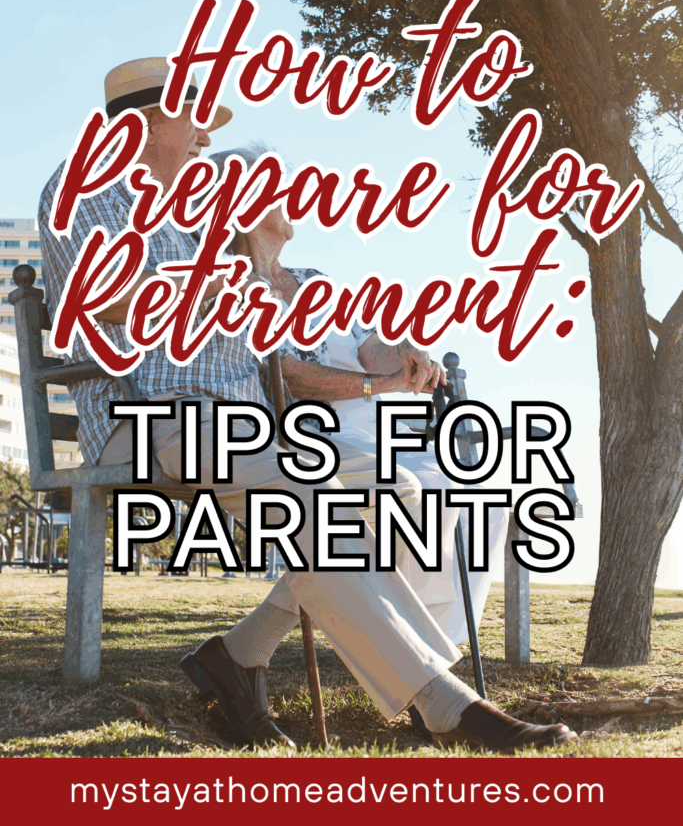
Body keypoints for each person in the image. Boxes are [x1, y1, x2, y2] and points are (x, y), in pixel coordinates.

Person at [38, 56, 575, 754]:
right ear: (145, 122)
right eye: (195, 122)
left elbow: (268, 353)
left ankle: (236, 656)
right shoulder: (85, 188)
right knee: (313, 493)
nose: (205, 139)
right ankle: (445, 704)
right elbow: (102, 301)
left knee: (400, 490)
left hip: (239, 426)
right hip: (150, 419)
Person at [214, 145, 509, 649]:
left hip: (369, 434)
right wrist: (378, 386)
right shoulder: (231, 285)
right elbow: (280, 375)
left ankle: (434, 644)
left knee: (483, 498)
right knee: (418, 504)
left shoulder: (311, 282)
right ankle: (406, 650)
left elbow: (369, 346)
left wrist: (406, 351)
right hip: (305, 439)